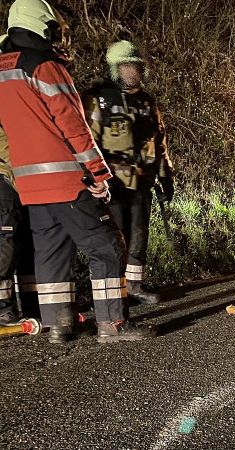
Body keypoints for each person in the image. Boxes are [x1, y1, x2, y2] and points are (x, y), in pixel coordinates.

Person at [0, 0, 152, 343]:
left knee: (51, 252)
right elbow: (72, 125)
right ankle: (112, 324)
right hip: (66, 177)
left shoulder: (3, 70)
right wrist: (98, 173)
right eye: (53, 29)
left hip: (27, 182)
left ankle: (59, 325)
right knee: (108, 246)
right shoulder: (45, 67)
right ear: (41, 27)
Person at [83, 40, 174, 305]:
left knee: (139, 233)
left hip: (142, 180)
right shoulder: (98, 98)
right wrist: (92, 175)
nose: (131, 72)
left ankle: (135, 285)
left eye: (135, 67)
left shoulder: (147, 101)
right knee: (115, 235)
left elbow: (160, 140)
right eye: (126, 67)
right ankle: (114, 290)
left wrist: (166, 174)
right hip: (111, 181)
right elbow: (87, 140)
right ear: (114, 69)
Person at [0, 123, 38, 326]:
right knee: (6, 246)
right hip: (7, 181)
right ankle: (2, 308)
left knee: (24, 244)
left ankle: (33, 305)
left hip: (18, 185)